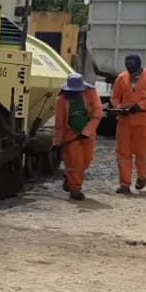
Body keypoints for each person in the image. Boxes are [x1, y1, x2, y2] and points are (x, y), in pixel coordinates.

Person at [111, 53, 146, 195]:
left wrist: (141, 106)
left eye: (131, 63)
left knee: (141, 152)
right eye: (127, 63)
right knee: (123, 153)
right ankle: (124, 184)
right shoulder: (121, 78)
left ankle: (142, 177)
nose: (129, 66)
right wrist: (120, 107)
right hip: (124, 121)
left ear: (139, 64)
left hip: (143, 121)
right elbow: (115, 97)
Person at [53, 73, 104, 201]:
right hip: (71, 135)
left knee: (87, 160)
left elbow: (97, 114)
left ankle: (68, 176)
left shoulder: (91, 94)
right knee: (76, 163)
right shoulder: (61, 100)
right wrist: (57, 142)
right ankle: (75, 189)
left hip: (87, 134)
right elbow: (59, 123)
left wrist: (86, 132)